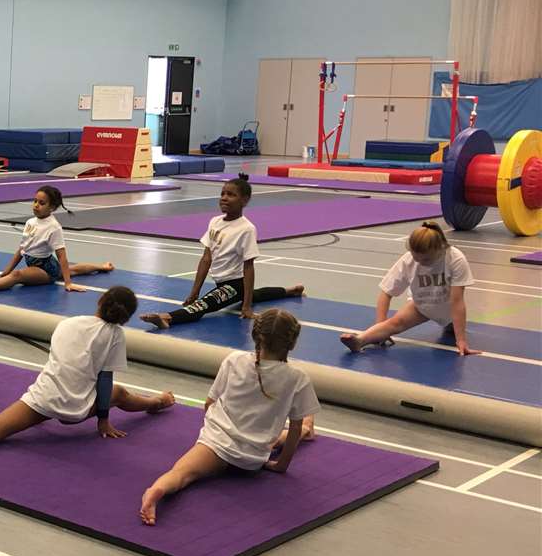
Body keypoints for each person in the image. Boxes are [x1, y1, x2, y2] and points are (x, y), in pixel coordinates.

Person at [0, 286, 174, 468]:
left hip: (44, 398)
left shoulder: (69, 323)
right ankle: (158, 401)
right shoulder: (116, 335)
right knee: (119, 393)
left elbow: (62, 361)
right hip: (76, 409)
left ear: (100, 300)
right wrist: (103, 420)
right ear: (125, 317)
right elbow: (104, 379)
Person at [140, 310, 319, 526]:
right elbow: (293, 429)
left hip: (215, 445)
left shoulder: (234, 360)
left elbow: (209, 404)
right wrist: (281, 465)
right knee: (283, 435)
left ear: (255, 336)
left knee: (180, 474)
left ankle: (156, 491)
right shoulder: (297, 378)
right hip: (252, 458)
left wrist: (215, 431)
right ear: (292, 343)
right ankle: (308, 430)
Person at [141, 175, 302, 329]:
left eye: (231, 195)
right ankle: (289, 291)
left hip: (235, 284)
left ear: (244, 200)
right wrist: (194, 292)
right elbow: (206, 259)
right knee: (256, 295)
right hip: (222, 282)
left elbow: (248, 267)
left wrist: (246, 307)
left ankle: (167, 318)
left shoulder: (246, 228)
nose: (224, 198)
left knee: (204, 304)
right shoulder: (215, 222)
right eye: (222, 194)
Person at [342, 222, 480, 356]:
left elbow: (457, 301)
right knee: (395, 323)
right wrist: (381, 327)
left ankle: (449, 327)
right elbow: (386, 292)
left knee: (451, 331)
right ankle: (359, 340)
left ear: (439, 248)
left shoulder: (455, 259)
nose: (419, 262)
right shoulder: (408, 260)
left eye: (425, 260)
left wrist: (461, 340)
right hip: (421, 305)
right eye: (415, 257)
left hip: (448, 308)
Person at [0, 186, 111, 294]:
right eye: (35, 201)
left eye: (42, 203)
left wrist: (68, 284)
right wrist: (6, 270)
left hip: (46, 267)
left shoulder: (54, 227)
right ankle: (101, 267)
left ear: (52, 207)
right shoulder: (30, 222)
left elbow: (62, 256)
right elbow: (22, 249)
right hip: (36, 263)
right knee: (72, 269)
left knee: (18, 275)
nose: (36, 205)